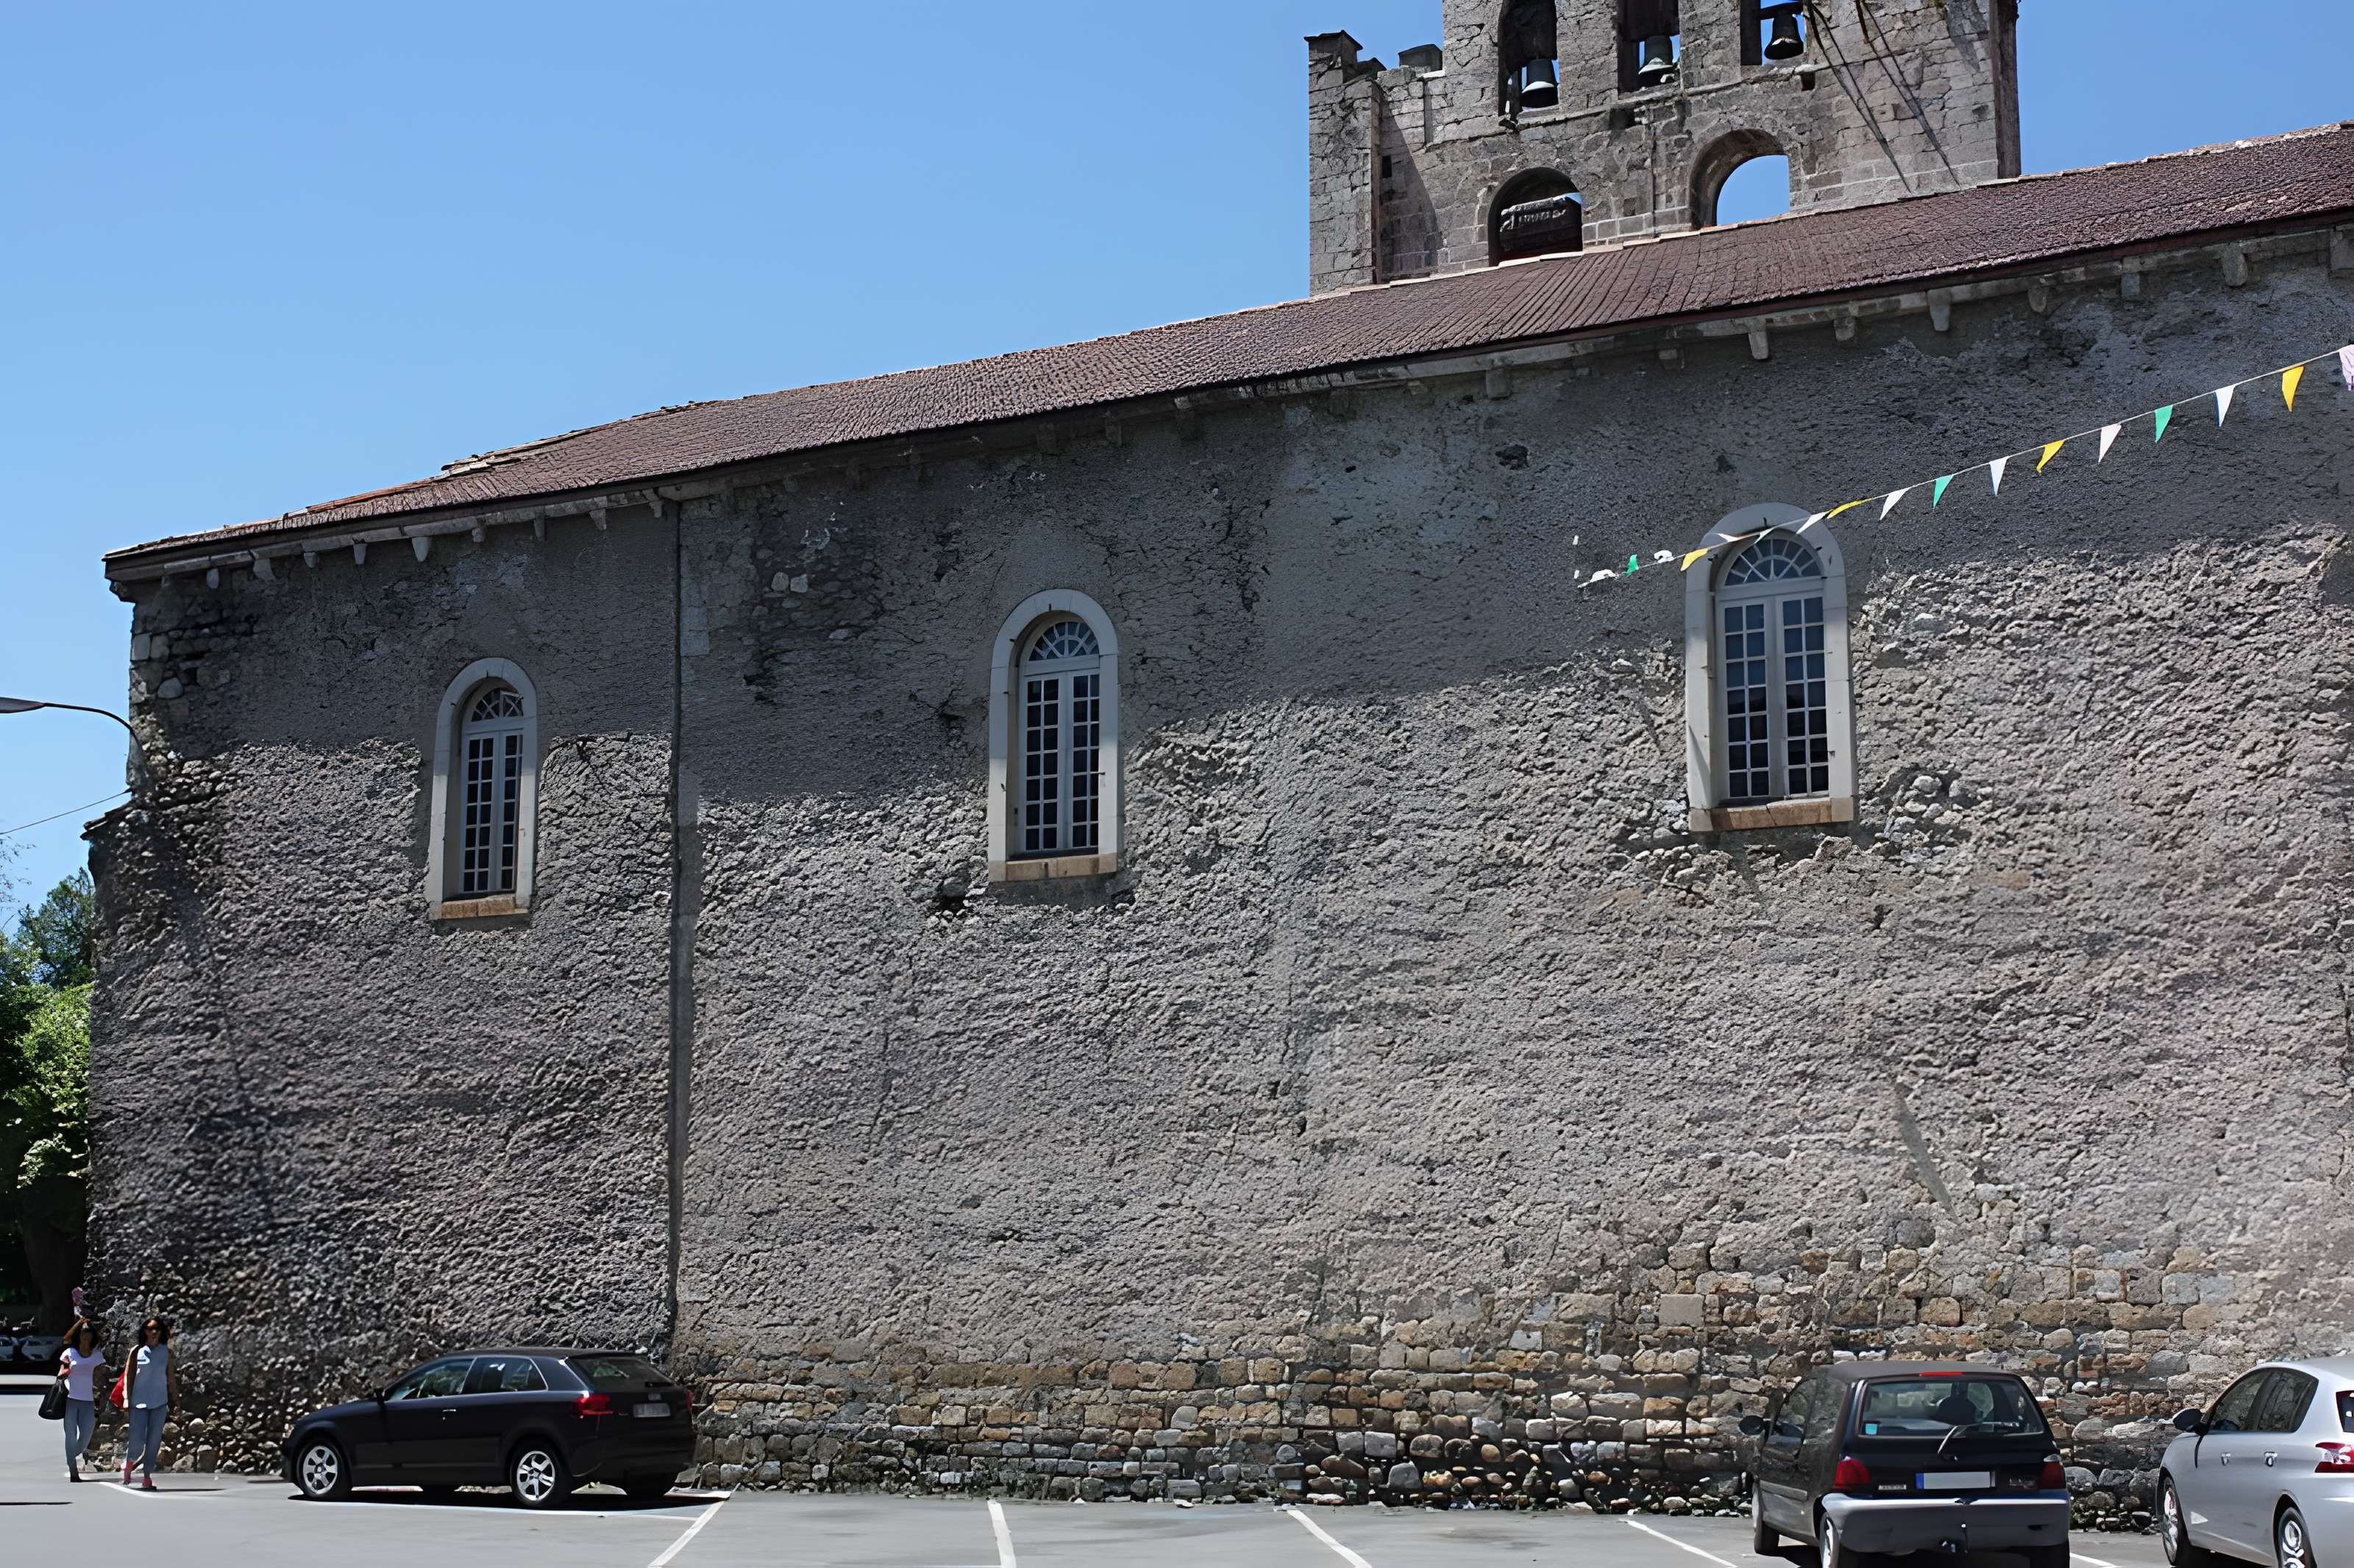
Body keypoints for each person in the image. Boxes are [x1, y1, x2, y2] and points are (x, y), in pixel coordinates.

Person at [122, 1316, 178, 1489]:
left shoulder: (166, 1352)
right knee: (137, 1441)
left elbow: (171, 1378)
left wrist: (177, 1401)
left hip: (160, 1402)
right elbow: (129, 1377)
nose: (153, 1332)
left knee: (154, 1442)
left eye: (156, 1329)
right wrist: (126, 1398)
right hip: (139, 1403)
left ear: (161, 1332)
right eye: (149, 1329)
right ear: (144, 1331)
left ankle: (147, 1476)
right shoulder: (137, 1351)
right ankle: (130, 1462)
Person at [56, 1321, 107, 1482]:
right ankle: (73, 1471)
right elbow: (61, 1371)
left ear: (92, 1335)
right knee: (70, 1435)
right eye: (83, 1332)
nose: (86, 1335)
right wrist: (79, 1322)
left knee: (86, 1436)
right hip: (70, 1399)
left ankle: (71, 1455)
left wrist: (102, 1393)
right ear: (79, 1335)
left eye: (89, 1332)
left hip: (88, 1400)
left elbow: (101, 1376)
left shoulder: (97, 1355)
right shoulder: (70, 1353)